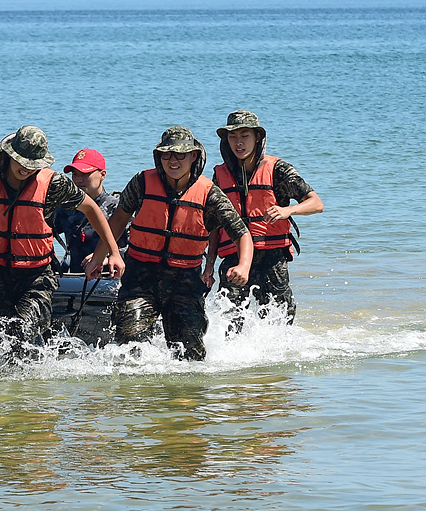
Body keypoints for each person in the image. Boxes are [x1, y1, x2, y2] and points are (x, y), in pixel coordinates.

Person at [0, 126, 124, 342]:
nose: (26, 168)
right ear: (9, 155)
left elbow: (92, 209)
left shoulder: (54, 184)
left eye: (33, 164)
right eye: (22, 162)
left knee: (22, 334)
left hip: (37, 277)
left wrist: (113, 252)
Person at [101, 126, 251, 360]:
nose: (173, 160)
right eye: (167, 154)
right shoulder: (141, 182)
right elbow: (117, 222)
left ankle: (184, 396)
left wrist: (243, 266)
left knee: (189, 355)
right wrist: (107, 254)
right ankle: (134, 396)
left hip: (185, 280)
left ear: (193, 156)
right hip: (140, 276)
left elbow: (242, 234)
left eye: (180, 154)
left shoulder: (209, 193)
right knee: (128, 344)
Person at [211, 110, 323, 327]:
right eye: (232, 137)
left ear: (258, 137)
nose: (238, 143)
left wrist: (287, 211)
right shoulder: (220, 175)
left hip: (271, 258)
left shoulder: (278, 170)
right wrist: (209, 265)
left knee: (279, 321)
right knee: (228, 321)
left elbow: (316, 204)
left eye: (245, 135)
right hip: (234, 258)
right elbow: (215, 225)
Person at [52, 148, 128, 273]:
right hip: (75, 279)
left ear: (103, 175)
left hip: (109, 278)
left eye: (85, 174)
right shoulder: (65, 209)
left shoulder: (118, 209)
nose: (78, 180)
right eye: (75, 174)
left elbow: (135, 249)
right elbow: (43, 235)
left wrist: (104, 257)